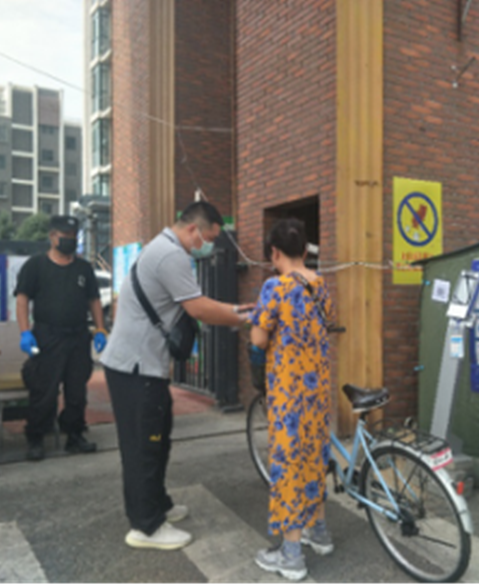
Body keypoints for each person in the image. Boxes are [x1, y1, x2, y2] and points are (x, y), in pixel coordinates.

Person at [101, 201, 252, 551]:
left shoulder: (162, 247)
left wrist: (236, 310)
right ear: (194, 229)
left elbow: (194, 302)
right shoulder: (171, 256)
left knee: (158, 438)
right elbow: (198, 308)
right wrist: (244, 317)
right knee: (144, 446)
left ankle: (158, 504)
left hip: (137, 365)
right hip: (135, 368)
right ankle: (146, 526)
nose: (207, 246)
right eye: (208, 239)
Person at [250, 218, 334, 582]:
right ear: (304, 249)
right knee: (314, 457)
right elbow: (327, 322)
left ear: (275, 252)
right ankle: (320, 532)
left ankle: (291, 555)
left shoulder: (275, 286)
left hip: (288, 392)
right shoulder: (320, 284)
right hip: (318, 389)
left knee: (287, 466)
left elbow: (258, 339)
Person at [15, 215, 107, 461]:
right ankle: (36, 438)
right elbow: (22, 299)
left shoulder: (83, 268)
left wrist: (100, 328)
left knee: (77, 391)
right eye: (65, 237)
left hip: (78, 335)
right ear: (52, 236)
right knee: (44, 390)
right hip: (48, 336)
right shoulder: (36, 265)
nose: (70, 241)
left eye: (73, 237)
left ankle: (74, 435)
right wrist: (25, 332)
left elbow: (94, 300)